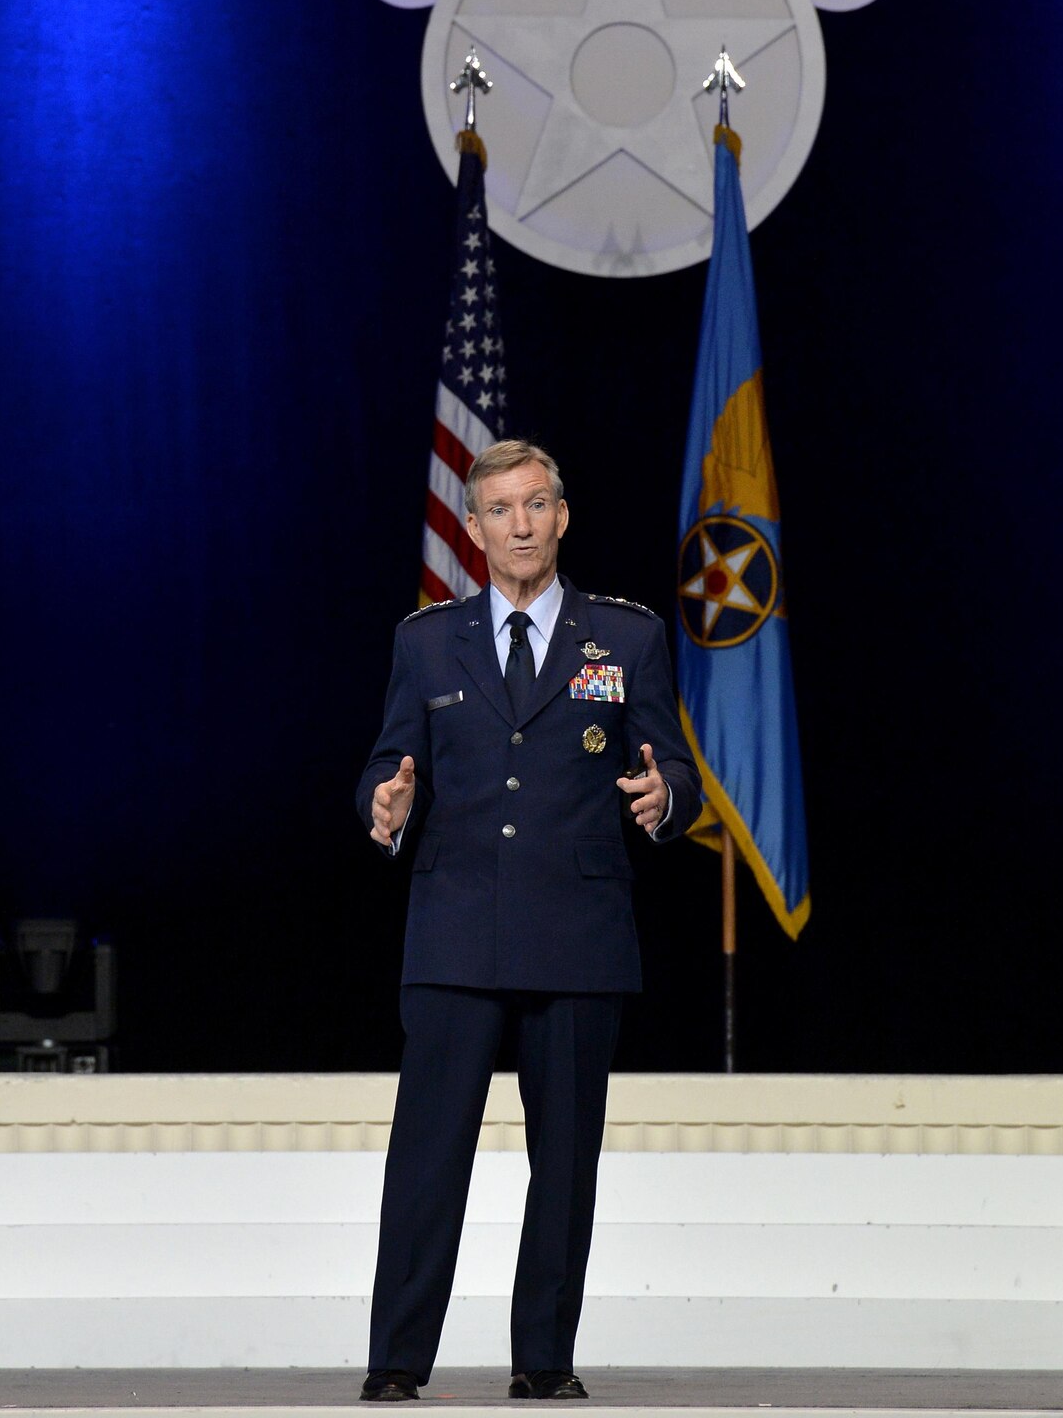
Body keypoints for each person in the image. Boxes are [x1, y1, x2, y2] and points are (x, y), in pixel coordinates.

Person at [356, 439, 701, 1403]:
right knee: (427, 1159)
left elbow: (676, 768)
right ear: (470, 528)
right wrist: (382, 805)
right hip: (456, 930)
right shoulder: (425, 641)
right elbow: (388, 760)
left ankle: (543, 1360)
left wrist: (662, 797)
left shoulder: (626, 637)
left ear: (561, 516)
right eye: (499, 508)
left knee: (564, 1164)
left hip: (580, 935)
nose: (519, 524)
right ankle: (395, 1363)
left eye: (536, 504)